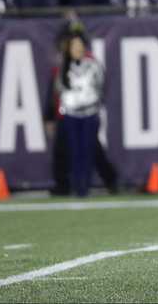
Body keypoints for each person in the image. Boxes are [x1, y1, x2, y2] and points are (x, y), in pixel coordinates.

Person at [55, 33, 105, 197]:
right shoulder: (64, 66)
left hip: (89, 114)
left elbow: (100, 85)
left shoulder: (93, 65)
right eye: (74, 46)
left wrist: (91, 101)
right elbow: (59, 88)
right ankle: (76, 186)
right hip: (71, 115)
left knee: (88, 151)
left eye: (79, 45)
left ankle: (85, 186)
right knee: (74, 152)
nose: (77, 48)